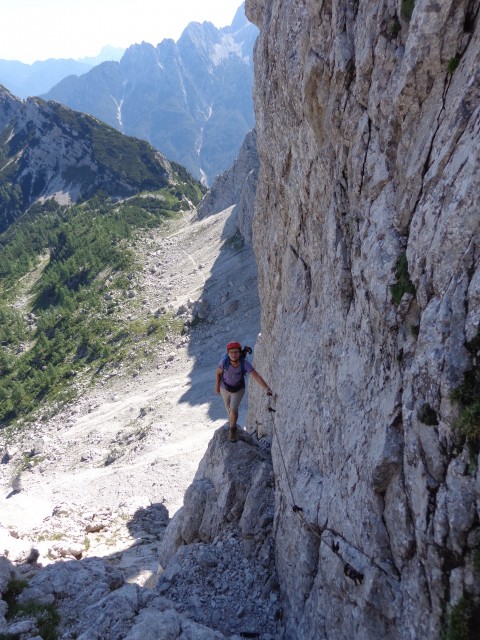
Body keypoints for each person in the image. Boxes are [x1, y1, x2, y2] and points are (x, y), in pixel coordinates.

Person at [215, 341, 272, 442]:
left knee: (233, 409)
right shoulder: (224, 362)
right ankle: (233, 421)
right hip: (225, 388)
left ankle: (232, 429)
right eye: (231, 352)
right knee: (230, 410)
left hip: (238, 389)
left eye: (236, 352)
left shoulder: (244, 363)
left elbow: (256, 376)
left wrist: (266, 388)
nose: (233, 355)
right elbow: (218, 373)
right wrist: (217, 387)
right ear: (228, 353)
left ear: (240, 353)